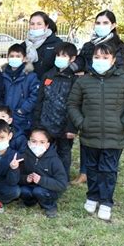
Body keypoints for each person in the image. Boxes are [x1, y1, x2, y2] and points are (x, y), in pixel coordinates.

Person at [67, 43, 124, 221]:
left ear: (113, 60)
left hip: (114, 137)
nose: (100, 61)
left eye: (105, 57)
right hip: (89, 135)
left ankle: (106, 201)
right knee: (91, 168)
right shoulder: (83, 81)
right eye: (97, 57)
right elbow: (72, 104)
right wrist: (81, 123)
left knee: (108, 170)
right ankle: (92, 196)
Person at [70, 10, 124, 185]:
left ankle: (104, 172)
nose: (101, 26)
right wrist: (71, 68)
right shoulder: (90, 45)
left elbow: (117, 68)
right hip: (89, 93)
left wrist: (88, 74)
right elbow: (81, 60)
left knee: (107, 136)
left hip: (110, 93)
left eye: (105, 23)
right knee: (87, 131)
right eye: (98, 22)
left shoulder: (118, 45)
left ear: (113, 26)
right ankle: (84, 172)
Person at [34, 42, 79, 181]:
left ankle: (62, 178)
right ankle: (45, 175)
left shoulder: (75, 80)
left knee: (64, 152)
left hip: (64, 125)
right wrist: (37, 121)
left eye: (64, 55)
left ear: (72, 58)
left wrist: (72, 128)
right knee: (45, 151)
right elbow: (40, 99)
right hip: (45, 123)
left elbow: (76, 105)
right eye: (58, 55)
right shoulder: (48, 76)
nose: (60, 58)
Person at [19, 128, 67, 218]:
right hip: (31, 186)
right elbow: (18, 177)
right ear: (28, 142)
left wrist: (41, 180)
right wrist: (26, 179)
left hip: (48, 189)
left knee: (39, 191)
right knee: (22, 190)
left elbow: (62, 184)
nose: (37, 145)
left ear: (48, 145)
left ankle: (50, 206)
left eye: (42, 142)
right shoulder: (24, 156)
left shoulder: (54, 160)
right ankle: (30, 202)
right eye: (34, 141)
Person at [2, 44, 40, 135]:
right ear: (7, 58)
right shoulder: (2, 75)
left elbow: (35, 95)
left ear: (24, 58)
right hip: (5, 117)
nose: (14, 58)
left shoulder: (31, 76)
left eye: (18, 56)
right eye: (12, 56)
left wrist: (22, 110)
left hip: (22, 117)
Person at [21, 11, 63, 79]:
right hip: (28, 86)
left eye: (39, 24)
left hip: (48, 85)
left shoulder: (56, 43)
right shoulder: (24, 45)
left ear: (46, 26)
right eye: (32, 24)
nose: (35, 27)